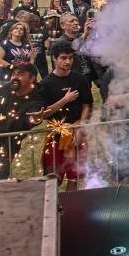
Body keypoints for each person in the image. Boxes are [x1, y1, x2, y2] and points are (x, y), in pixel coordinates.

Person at [34, 41, 94, 189]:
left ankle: (71, 206)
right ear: (54, 58)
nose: (68, 61)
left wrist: (80, 125)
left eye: (70, 58)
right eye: (63, 58)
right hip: (56, 134)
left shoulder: (80, 80)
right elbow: (43, 113)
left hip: (76, 131)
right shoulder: (45, 84)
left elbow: (87, 104)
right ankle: (53, 208)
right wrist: (64, 100)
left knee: (75, 176)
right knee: (53, 177)